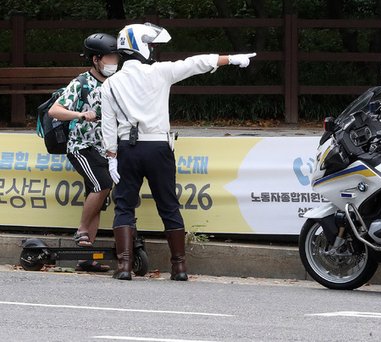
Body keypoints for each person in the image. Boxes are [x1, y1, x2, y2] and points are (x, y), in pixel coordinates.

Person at [101, 22, 256, 281]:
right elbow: (196, 63)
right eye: (150, 45)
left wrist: (111, 156)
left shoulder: (110, 84)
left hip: (128, 148)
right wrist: (231, 58)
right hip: (159, 147)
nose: (152, 50)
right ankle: (180, 268)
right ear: (139, 45)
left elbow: (108, 125)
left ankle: (125, 267)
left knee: (124, 206)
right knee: (169, 205)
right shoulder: (160, 72)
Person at [48, 33, 120, 272]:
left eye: (115, 57)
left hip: (104, 149)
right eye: (109, 57)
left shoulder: (115, 82)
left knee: (98, 193)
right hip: (81, 146)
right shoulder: (81, 82)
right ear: (96, 59)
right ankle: (81, 232)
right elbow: (54, 111)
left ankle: (85, 257)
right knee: (102, 184)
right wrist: (80, 114)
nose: (113, 61)